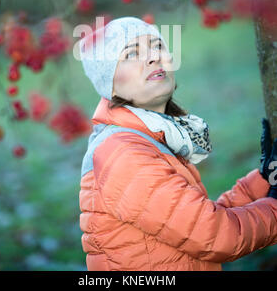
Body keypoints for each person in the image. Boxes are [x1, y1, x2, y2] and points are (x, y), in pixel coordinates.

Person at [78, 16, 277, 271]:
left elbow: (196, 225)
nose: (153, 57)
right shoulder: (123, 153)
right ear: (111, 85)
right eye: (131, 54)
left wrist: (263, 180)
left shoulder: (151, 139)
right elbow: (214, 236)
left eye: (157, 46)